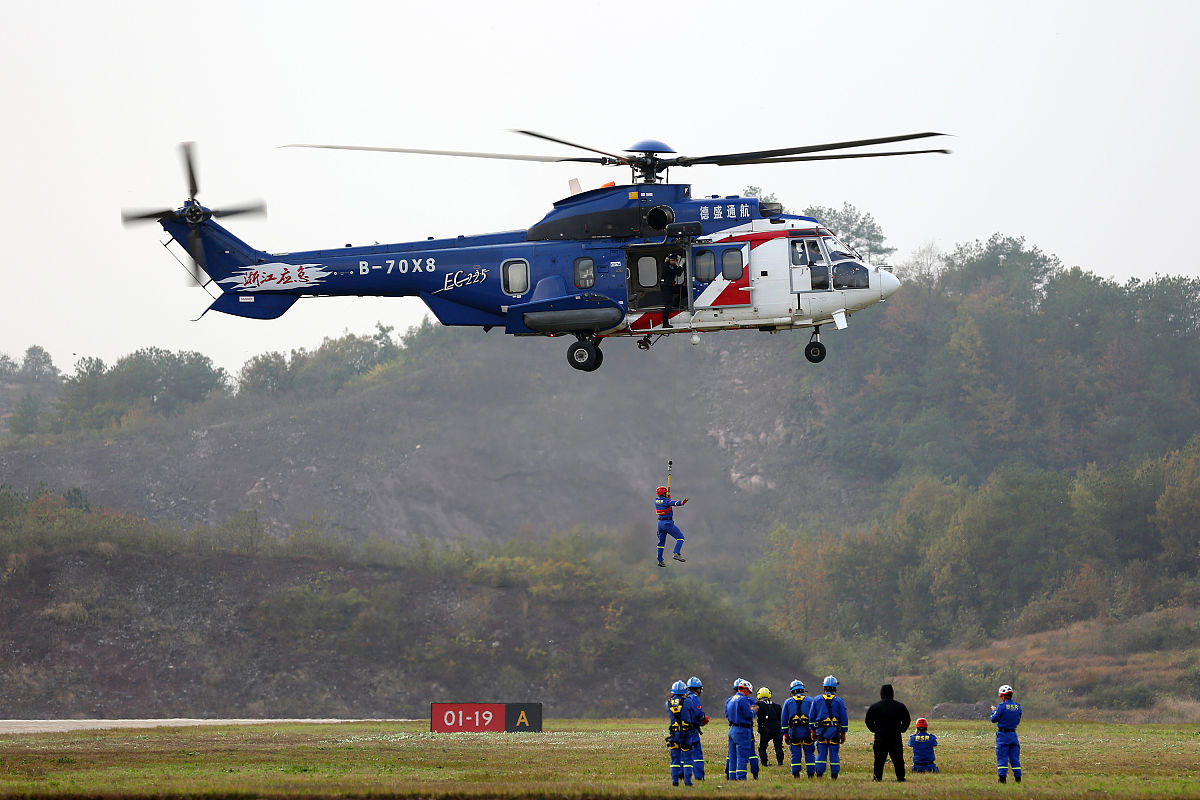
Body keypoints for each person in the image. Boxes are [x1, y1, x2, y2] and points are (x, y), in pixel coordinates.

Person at [864, 683, 911, 782]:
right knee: (898, 759)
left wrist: (874, 729)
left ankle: (877, 777)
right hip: (895, 737)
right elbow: (907, 720)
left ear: (881, 693)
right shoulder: (900, 706)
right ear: (892, 693)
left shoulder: (875, 707)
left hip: (880, 737)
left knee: (879, 760)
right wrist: (902, 729)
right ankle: (900, 777)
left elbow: (868, 721)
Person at [809, 675, 848, 779]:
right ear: (835, 687)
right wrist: (843, 733)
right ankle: (834, 775)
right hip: (835, 732)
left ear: (824, 687)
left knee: (821, 754)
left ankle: (819, 775)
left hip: (821, 732)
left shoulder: (816, 700)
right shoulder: (839, 701)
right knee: (834, 754)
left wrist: (812, 731)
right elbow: (844, 718)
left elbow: (811, 717)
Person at [724, 678, 759, 781]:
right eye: (748, 692)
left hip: (732, 729)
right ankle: (741, 779)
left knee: (732, 756)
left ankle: (732, 777)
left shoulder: (730, 700)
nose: (749, 694)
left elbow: (727, 714)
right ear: (745, 690)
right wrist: (754, 711)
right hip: (742, 730)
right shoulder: (743, 700)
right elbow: (749, 714)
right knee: (742, 756)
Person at [781, 679, 816, 778]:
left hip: (794, 733)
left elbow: (784, 720)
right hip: (808, 732)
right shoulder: (811, 701)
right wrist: (814, 731)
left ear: (792, 691)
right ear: (803, 690)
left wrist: (786, 734)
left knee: (795, 754)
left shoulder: (788, 702)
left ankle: (796, 774)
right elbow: (814, 716)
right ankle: (811, 774)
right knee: (809, 752)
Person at [990, 683, 1022, 784]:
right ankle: (1018, 779)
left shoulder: (1001, 707)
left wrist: (993, 711)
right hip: (1013, 736)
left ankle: (1002, 779)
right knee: (1015, 759)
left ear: (1002, 696)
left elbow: (993, 719)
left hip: (1003, 736)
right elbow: (1018, 720)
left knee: (1002, 758)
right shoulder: (1018, 707)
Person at [666, 680, 694, 786]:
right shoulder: (688, 701)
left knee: (675, 759)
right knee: (687, 758)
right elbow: (694, 714)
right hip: (686, 734)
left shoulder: (668, 702)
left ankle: (675, 781)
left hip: (673, 734)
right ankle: (687, 782)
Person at [683, 676, 710, 780]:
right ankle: (699, 777)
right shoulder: (694, 698)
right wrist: (704, 718)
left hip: (683, 730)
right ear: (698, 688)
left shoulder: (684, 697)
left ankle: (683, 776)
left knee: (684, 755)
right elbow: (698, 713)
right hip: (692, 731)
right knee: (697, 755)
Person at [655, 485, 688, 567]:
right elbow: (673, 503)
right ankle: (676, 553)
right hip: (667, 523)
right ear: (664, 494)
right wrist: (682, 502)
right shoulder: (667, 501)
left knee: (661, 543)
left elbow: (666, 502)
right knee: (680, 538)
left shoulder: (656, 501)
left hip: (660, 524)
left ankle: (660, 560)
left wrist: (668, 498)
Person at [755, 687, 784, 766]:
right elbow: (780, 719)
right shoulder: (777, 706)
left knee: (762, 747)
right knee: (778, 747)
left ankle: (764, 763)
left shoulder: (758, 704)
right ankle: (780, 763)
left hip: (765, 730)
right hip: (777, 729)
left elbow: (754, 713)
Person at [661, 253, 684, 328]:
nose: (673, 262)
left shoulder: (673, 266)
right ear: (669, 260)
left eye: (674, 260)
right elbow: (676, 272)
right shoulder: (666, 266)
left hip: (671, 285)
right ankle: (665, 323)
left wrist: (679, 266)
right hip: (666, 286)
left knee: (684, 290)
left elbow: (679, 274)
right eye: (672, 260)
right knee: (668, 305)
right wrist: (680, 265)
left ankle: (676, 303)